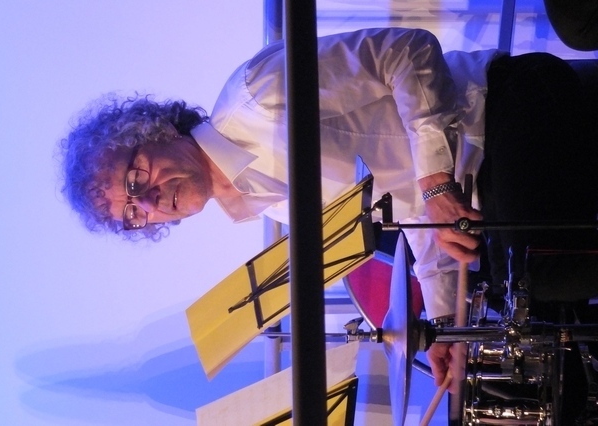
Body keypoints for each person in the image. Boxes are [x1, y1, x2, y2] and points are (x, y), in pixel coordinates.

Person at [60, 28, 598, 396]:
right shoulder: (272, 204)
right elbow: (417, 216)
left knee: (546, 273)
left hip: (509, 104)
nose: (149, 203)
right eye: (133, 215)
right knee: (527, 320)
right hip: (491, 184)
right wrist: (444, 327)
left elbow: (407, 51)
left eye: (136, 179)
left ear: (156, 131)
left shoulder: (253, 97)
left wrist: (436, 180)